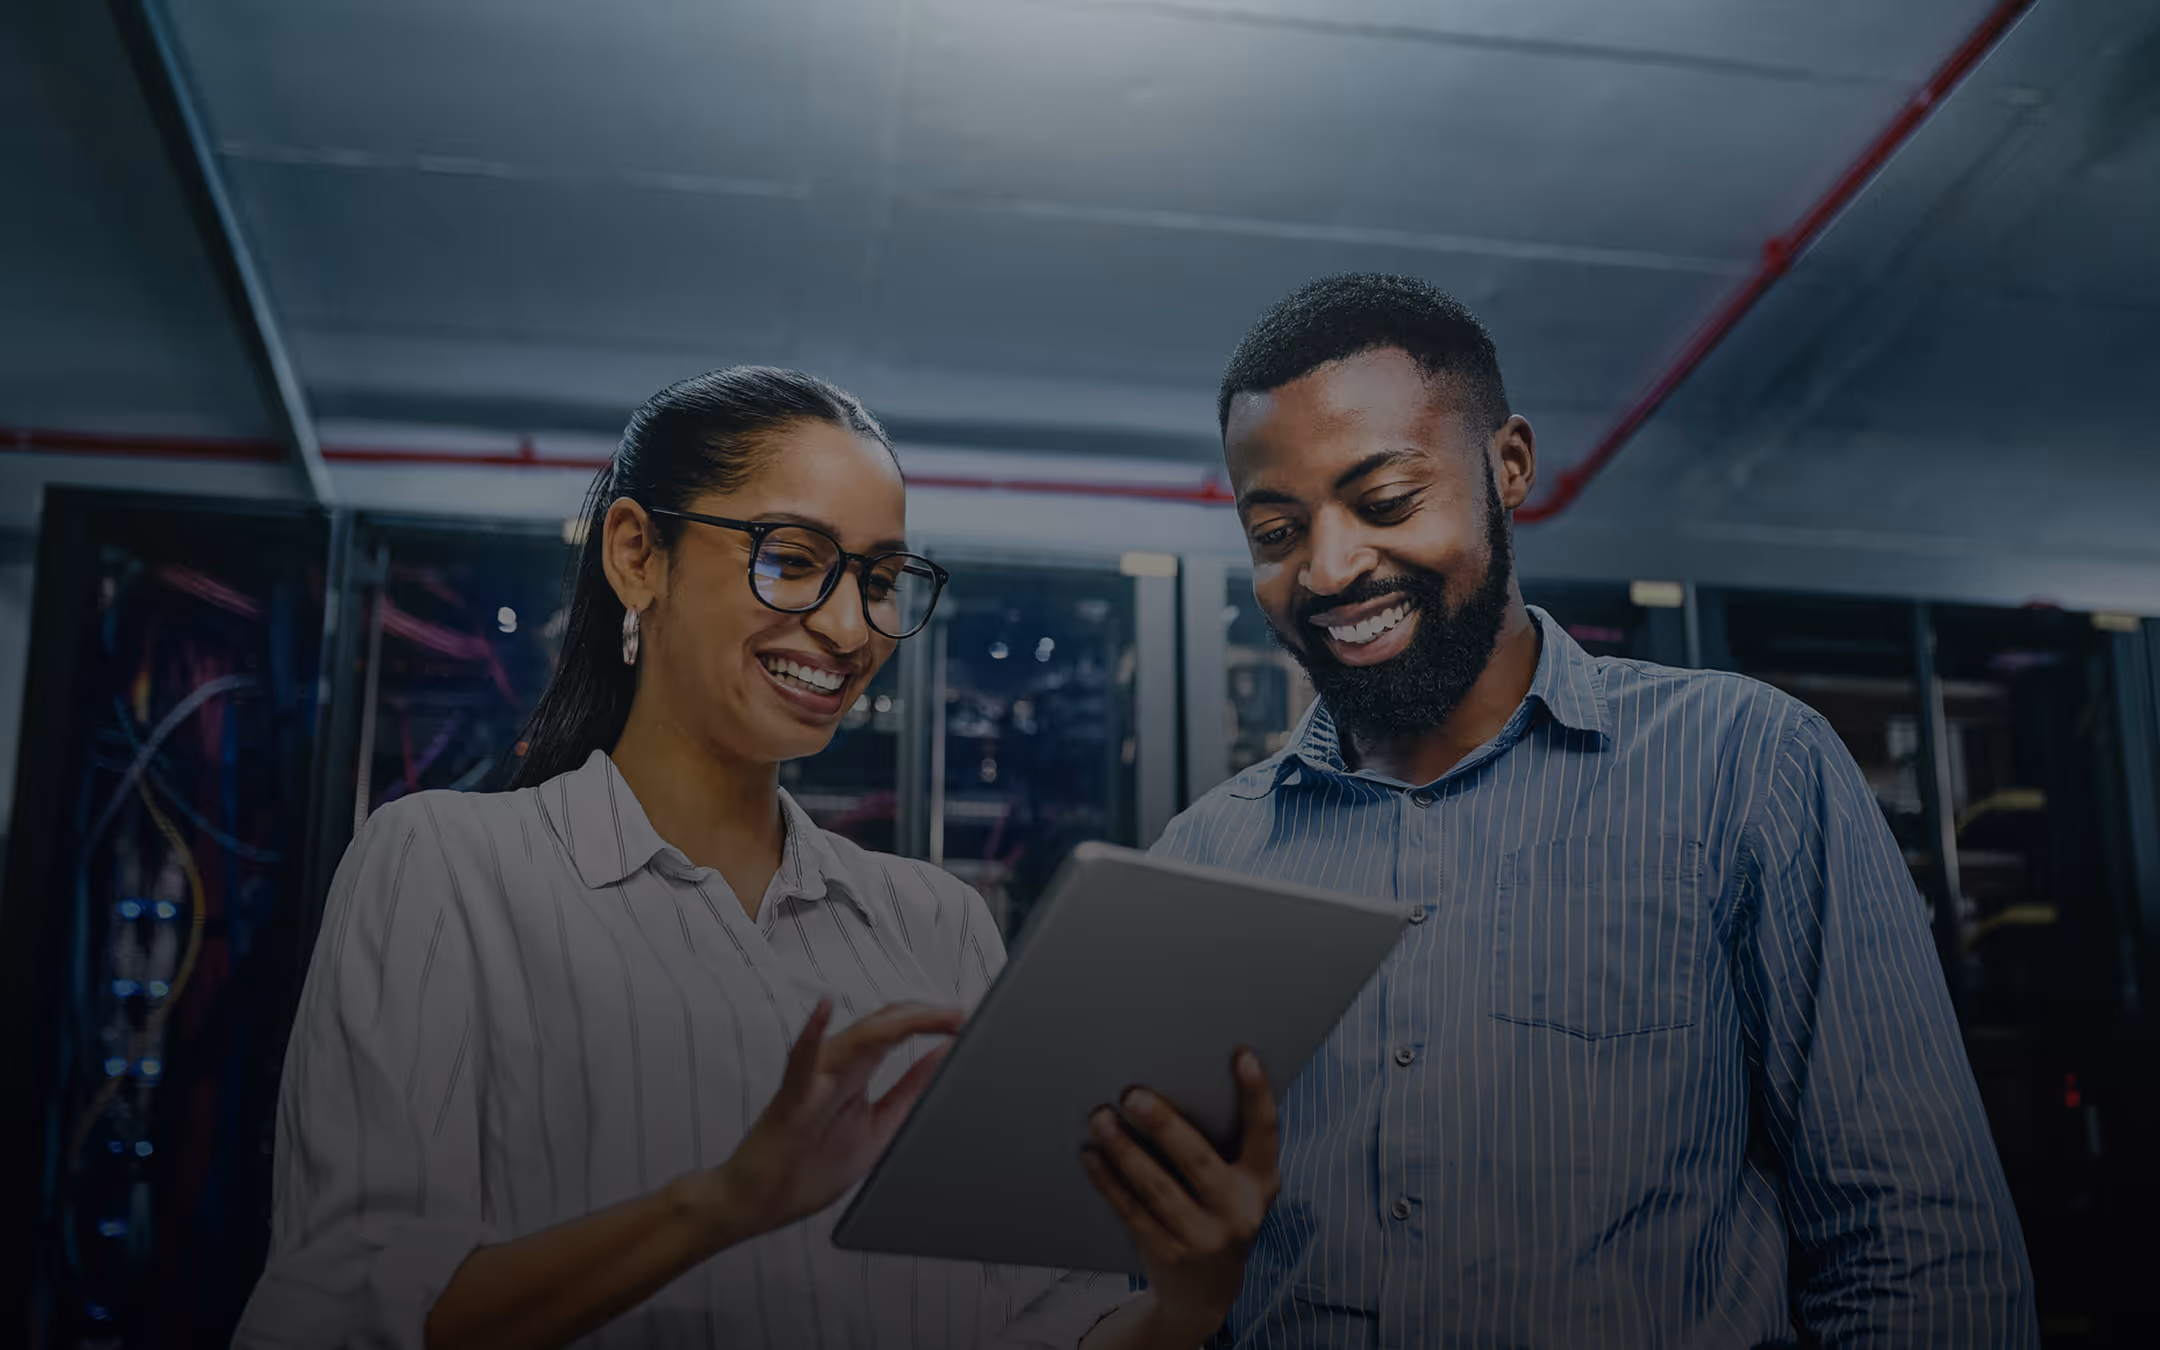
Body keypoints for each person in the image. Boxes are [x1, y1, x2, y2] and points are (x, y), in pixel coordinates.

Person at [235, 367, 1279, 1349]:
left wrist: (1186, 1304)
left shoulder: (937, 925)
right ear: (637, 554)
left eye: (878, 578)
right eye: (792, 560)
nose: (847, 626)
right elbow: (343, 1313)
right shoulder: (447, 873)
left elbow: (1030, 1322)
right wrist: (722, 1205)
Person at [1148, 274, 2038, 1347]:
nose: (1330, 566)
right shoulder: (1204, 858)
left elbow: (1919, 1253)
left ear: (1509, 466)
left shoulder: (1746, 769)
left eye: (1385, 503)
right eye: (1277, 530)